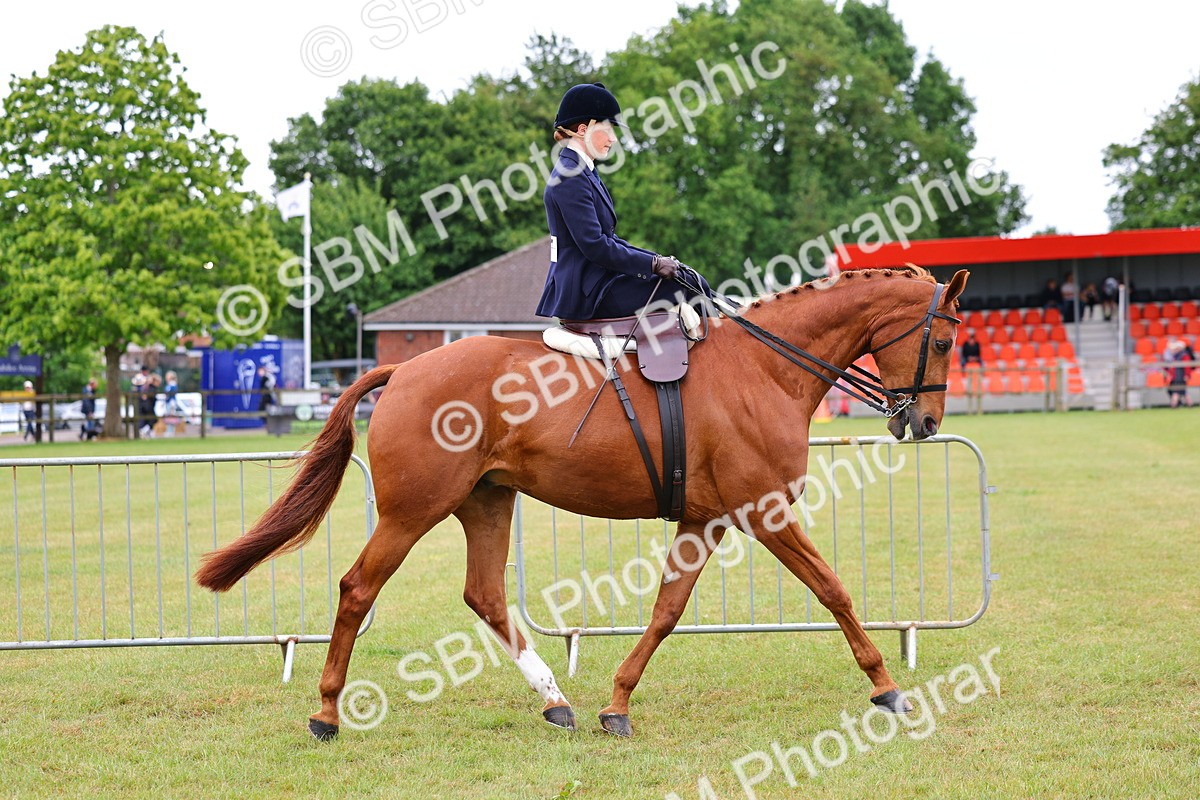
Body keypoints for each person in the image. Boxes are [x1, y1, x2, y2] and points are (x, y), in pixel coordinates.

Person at [536, 82, 711, 323]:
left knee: (686, 276)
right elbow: (595, 245)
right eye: (608, 130)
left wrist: (657, 260)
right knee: (687, 285)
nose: (614, 139)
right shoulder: (570, 177)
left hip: (598, 282)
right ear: (583, 129)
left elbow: (611, 239)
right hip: (587, 293)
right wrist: (653, 264)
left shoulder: (583, 171)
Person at [1163, 339, 1195, 408]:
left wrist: (1187, 375)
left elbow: (1187, 367)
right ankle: (1189, 404)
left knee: (1177, 392)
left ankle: (1174, 405)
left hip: (1180, 376)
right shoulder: (1176, 356)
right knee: (1183, 392)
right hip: (1177, 376)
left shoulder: (1184, 356)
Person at [162, 371, 180, 437]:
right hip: (168, 403)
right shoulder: (170, 384)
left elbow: (171, 395)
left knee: (171, 417)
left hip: (171, 403)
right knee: (169, 417)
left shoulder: (172, 385)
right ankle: (169, 431)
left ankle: (171, 431)